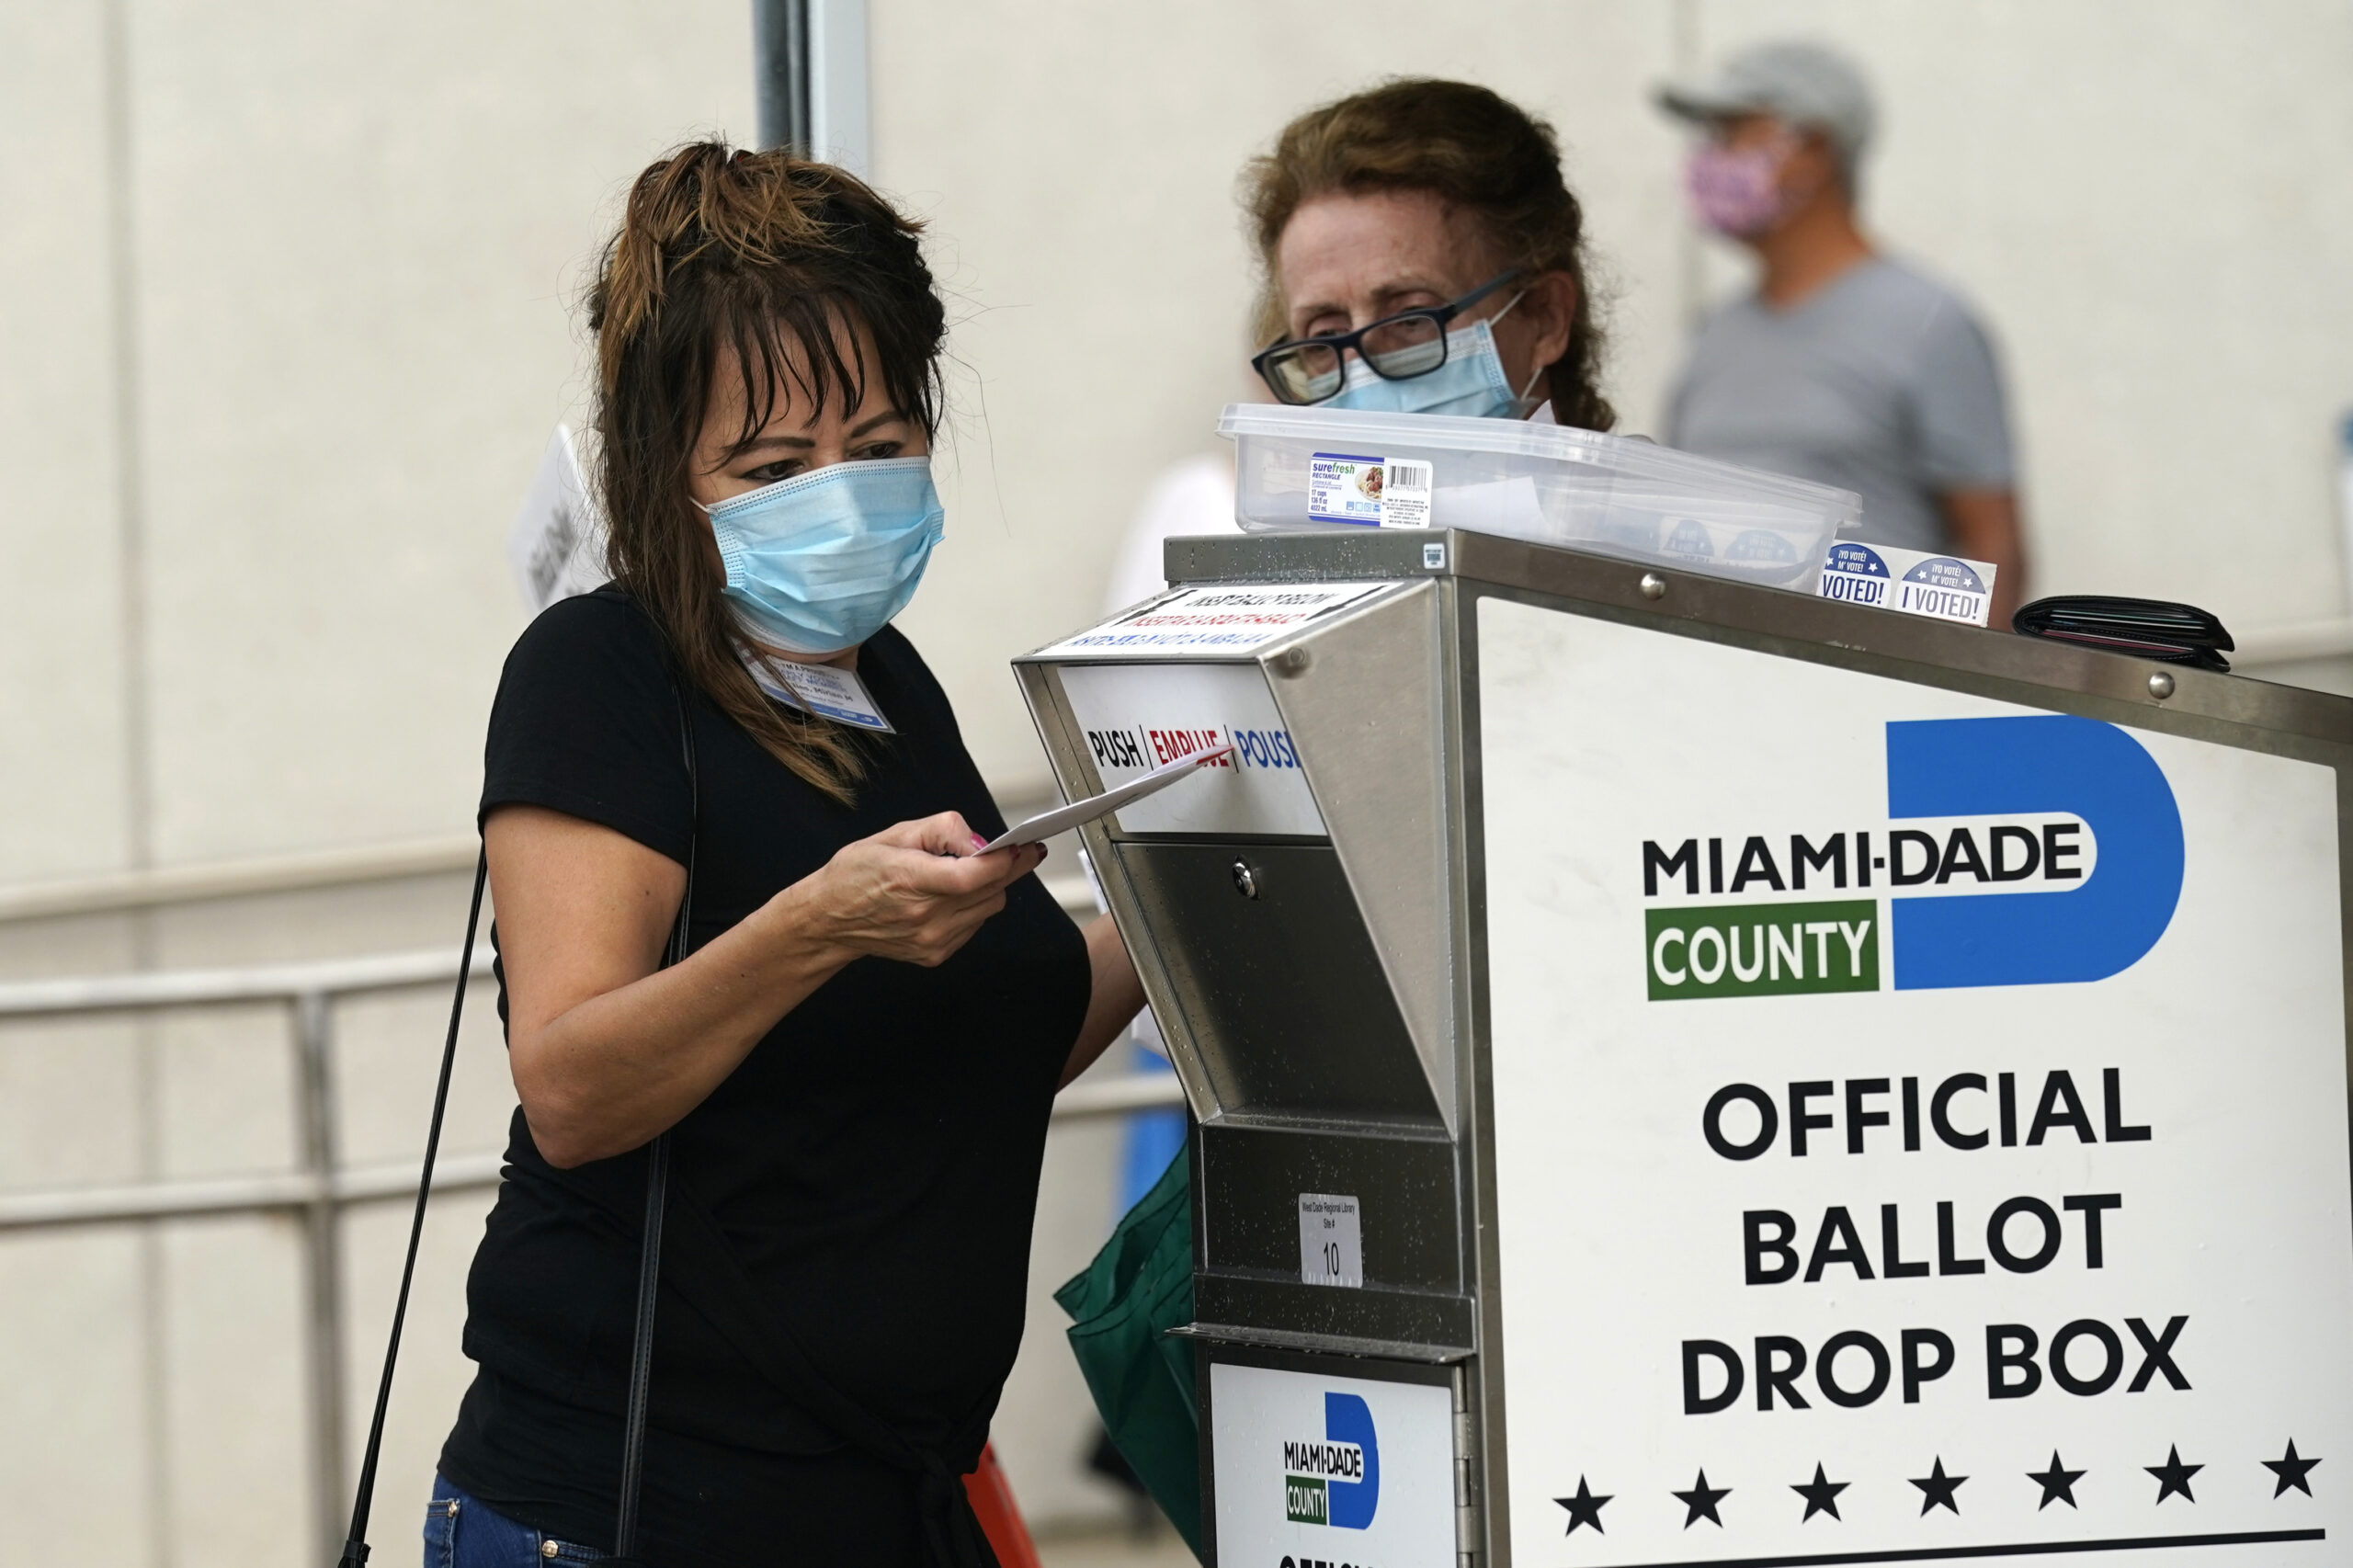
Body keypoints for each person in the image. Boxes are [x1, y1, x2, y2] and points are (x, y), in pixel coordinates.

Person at [425, 142, 1142, 1568]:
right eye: (771, 465)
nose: (841, 494)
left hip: (886, 1495)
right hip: (635, 1507)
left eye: (879, 448)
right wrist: (817, 923)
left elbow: (959, 1051)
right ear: (665, 474)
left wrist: (1209, 905)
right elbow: (570, 1085)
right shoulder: (600, 674)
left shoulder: (886, 677)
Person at [1656, 40, 2028, 624]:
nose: (1709, 158)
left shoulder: (1928, 321)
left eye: (1732, 134)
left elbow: (1994, 545)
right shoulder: (1714, 331)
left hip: (1869, 690)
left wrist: (1965, 698)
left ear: (1816, 148)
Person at [1242, 78, 1616, 434]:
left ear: (1544, 317)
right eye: (1326, 335)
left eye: (1410, 318)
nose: (1362, 376)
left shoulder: (1649, 503)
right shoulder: (1267, 503)